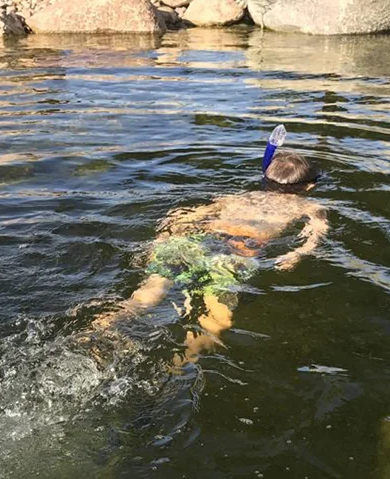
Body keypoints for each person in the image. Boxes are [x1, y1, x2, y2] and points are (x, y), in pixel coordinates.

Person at [96, 145, 328, 365]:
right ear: (309, 187)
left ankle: (96, 331)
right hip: (234, 256)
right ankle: (178, 364)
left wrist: (165, 236)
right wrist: (296, 255)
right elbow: (314, 236)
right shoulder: (309, 208)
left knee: (148, 294)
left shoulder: (241, 197)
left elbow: (187, 215)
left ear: (265, 179)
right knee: (217, 320)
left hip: (194, 243)